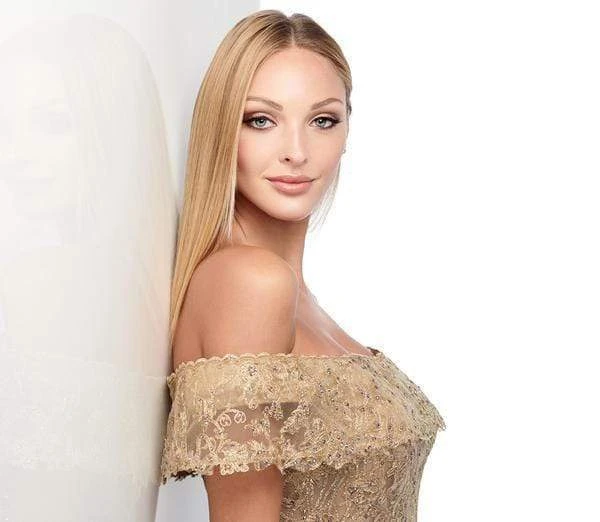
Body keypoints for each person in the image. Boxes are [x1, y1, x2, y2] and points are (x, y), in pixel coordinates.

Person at [160, 9, 446, 521]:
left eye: (322, 121)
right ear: (221, 128)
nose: (296, 152)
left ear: (346, 130)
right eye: (261, 120)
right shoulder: (250, 282)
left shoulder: (291, 291)